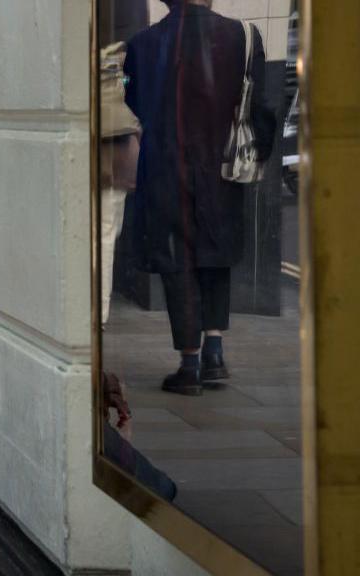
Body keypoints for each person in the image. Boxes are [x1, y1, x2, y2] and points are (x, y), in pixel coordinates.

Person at [124, 0, 274, 395]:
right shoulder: (244, 37)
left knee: (179, 261)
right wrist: (258, 155)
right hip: (220, 168)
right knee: (215, 253)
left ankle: (189, 364)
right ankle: (215, 352)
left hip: (165, 169)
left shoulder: (143, 44)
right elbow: (260, 107)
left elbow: (135, 103)